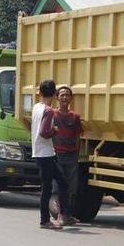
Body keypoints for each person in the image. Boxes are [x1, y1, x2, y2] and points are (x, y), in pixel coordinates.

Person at [31, 80, 69, 229]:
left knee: (60, 182)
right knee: (48, 187)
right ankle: (45, 220)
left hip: (41, 152)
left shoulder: (36, 107)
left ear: (40, 93)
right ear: (54, 94)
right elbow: (44, 132)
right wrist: (55, 130)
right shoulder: (48, 111)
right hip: (44, 153)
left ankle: (64, 214)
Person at [53, 86, 82, 225]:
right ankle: (60, 215)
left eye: (67, 95)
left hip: (71, 156)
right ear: (57, 97)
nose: (64, 98)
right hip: (57, 155)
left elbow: (78, 136)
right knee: (59, 186)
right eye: (62, 95)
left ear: (71, 98)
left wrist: (76, 153)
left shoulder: (75, 117)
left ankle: (68, 215)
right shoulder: (52, 115)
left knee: (72, 187)